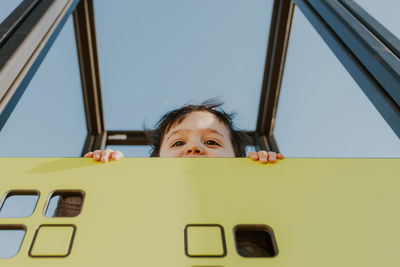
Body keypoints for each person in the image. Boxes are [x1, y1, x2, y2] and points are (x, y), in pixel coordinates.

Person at [84, 100, 284, 163]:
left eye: (212, 142)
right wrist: (99, 179)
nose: (194, 148)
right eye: (178, 143)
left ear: (238, 158)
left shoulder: (248, 195)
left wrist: (267, 178)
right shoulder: (141, 196)